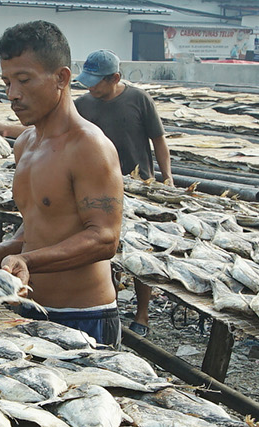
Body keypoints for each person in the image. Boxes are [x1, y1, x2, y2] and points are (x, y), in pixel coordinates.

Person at [0, 22, 124, 347]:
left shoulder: (89, 147)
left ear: (62, 78)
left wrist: (28, 260)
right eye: (7, 82)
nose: (12, 93)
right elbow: (41, 226)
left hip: (82, 317)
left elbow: (104, 239)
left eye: (24, 80)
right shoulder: (25, 144)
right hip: (27, 307)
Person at [73, 49, 171, 336]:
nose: (91, 87)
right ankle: (111, 303)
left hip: (140, 187)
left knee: (142, 253)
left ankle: (142, 314)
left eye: (96, 81)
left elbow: (159, 140)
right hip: (99, 188)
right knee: (106, 249)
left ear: (115, 78)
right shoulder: (82, 105)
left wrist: (167, 178)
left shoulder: (139, 99)